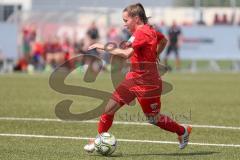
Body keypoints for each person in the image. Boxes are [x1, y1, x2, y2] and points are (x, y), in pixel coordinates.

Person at [84, 3, 192, 153]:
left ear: (136, 18)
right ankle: (99, 140)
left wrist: (103, 46)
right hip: (133, 78)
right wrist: (155, 54)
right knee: (109, 109)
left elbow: (126, 53)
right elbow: (163, 40)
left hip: (148, 83)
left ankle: (182, 131)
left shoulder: (143, 33)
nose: (124, 24)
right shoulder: (147, 30)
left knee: (153, 118)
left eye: (125, 20)